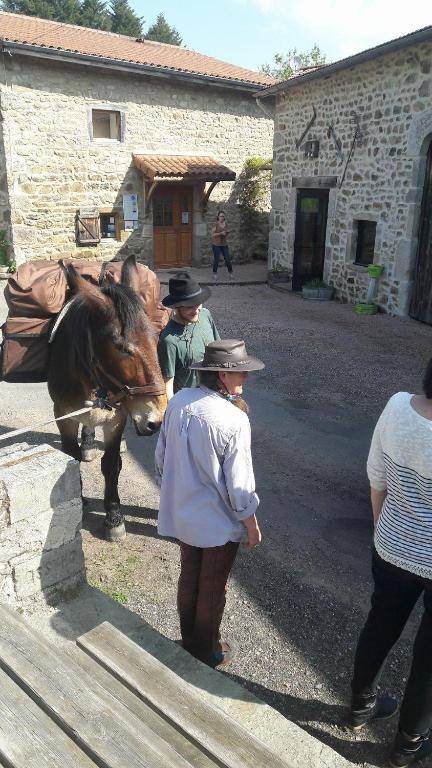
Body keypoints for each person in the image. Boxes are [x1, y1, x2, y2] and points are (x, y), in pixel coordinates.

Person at [155, 339, 263, 668]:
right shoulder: (233, 420)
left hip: (182, 514)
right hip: (217, 522)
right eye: (240, 372)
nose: (245, 377)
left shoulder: (179, 401)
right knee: (212, 587)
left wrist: (177, 489)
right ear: (221, 376)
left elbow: (160, 458)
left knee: (190, 575)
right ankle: (206, 652)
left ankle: (189, 640)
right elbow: (240, 486)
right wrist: (251, 524)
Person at [349, 363, 432, 767]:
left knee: (380, 625)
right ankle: (408, 743)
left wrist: (383, 528)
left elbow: (376, 475)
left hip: (392, 547)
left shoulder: (398, 407)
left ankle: (361, 706)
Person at [158, 272, 219, 400]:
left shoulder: (205, 315)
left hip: (216, 393)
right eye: (190, 306)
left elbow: (218, 351)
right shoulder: (169, 340)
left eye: (199, 303)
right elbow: (168, 385)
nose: (196, 310)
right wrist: (174, 412)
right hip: (190, 402)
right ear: (177, 307)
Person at [212, 211, 233, 281]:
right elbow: (213, 235)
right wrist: (220, 233)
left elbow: (227, 232)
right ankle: (215, 273)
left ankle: (230, 272)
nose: (222, 217)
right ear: (218, 217)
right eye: (221, 216)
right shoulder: (216, 224)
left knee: (227, 259)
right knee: (217, 259)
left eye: (223, 216)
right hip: (216, 244)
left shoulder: (226, 224)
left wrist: (226, 233)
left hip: (224, 244)